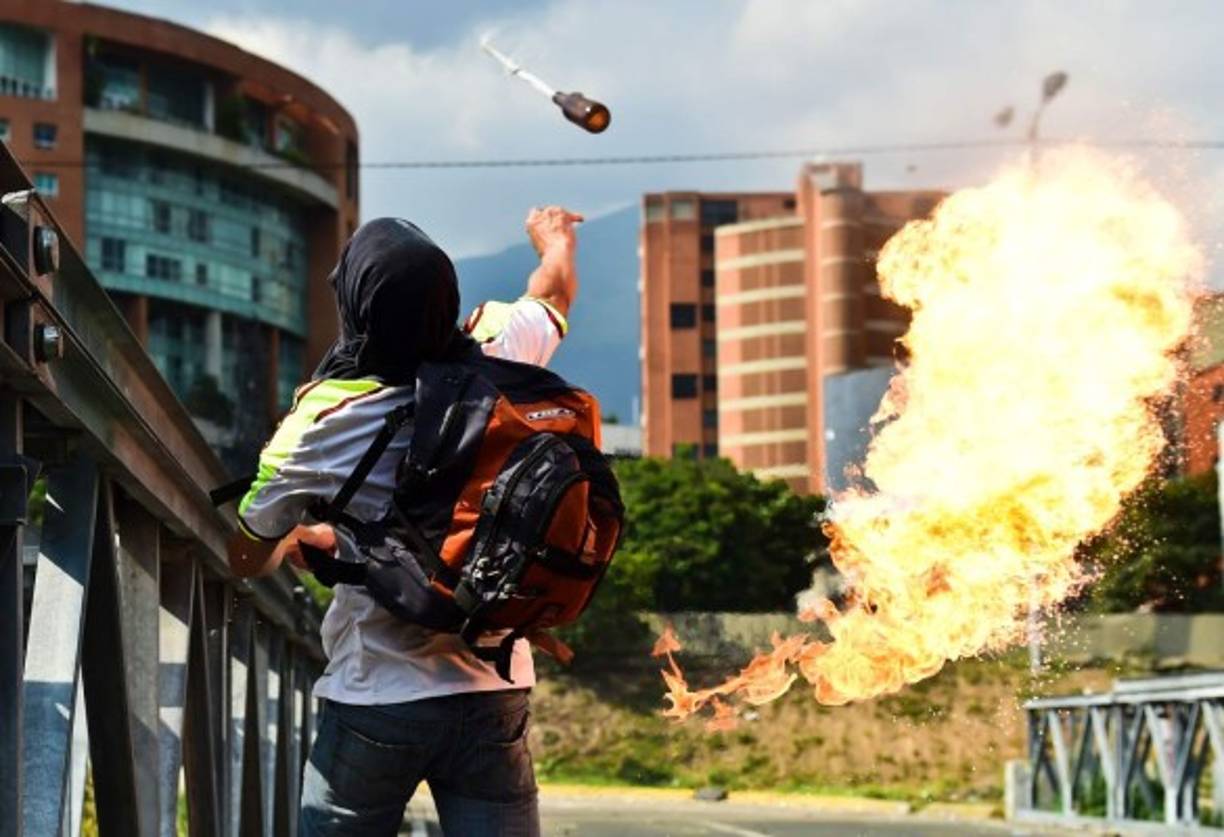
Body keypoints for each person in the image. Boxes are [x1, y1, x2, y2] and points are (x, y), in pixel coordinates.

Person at [227, 206, 583, 836]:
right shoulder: (498, 354)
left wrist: (303, 540)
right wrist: (554, 239)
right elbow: (552, 293)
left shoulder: (323, 422)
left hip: (376, 693)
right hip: (493, 691)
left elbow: (248, 553)